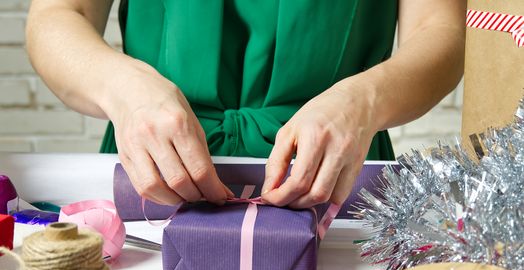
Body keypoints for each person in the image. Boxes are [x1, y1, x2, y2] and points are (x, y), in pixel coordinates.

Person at [26, 0, 465, 209]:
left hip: (335, 182)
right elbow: (59, 16)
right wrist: (123, 88)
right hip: (149, 173)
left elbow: (439, 29)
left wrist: (364, 100)